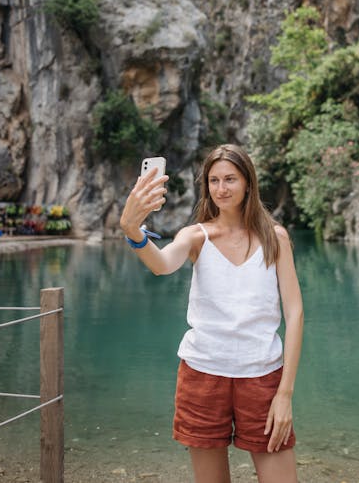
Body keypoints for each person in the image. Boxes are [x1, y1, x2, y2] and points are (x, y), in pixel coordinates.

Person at [120, 144, 304, 483]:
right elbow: (161, 265)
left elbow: (295, 314)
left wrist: (285, 394)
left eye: (230, 179)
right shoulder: (196, 236)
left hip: (262, 376)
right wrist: (133, 232)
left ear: (248, 182)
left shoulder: (275, 237)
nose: (221, 188)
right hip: (202, 375)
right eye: (213, 180)